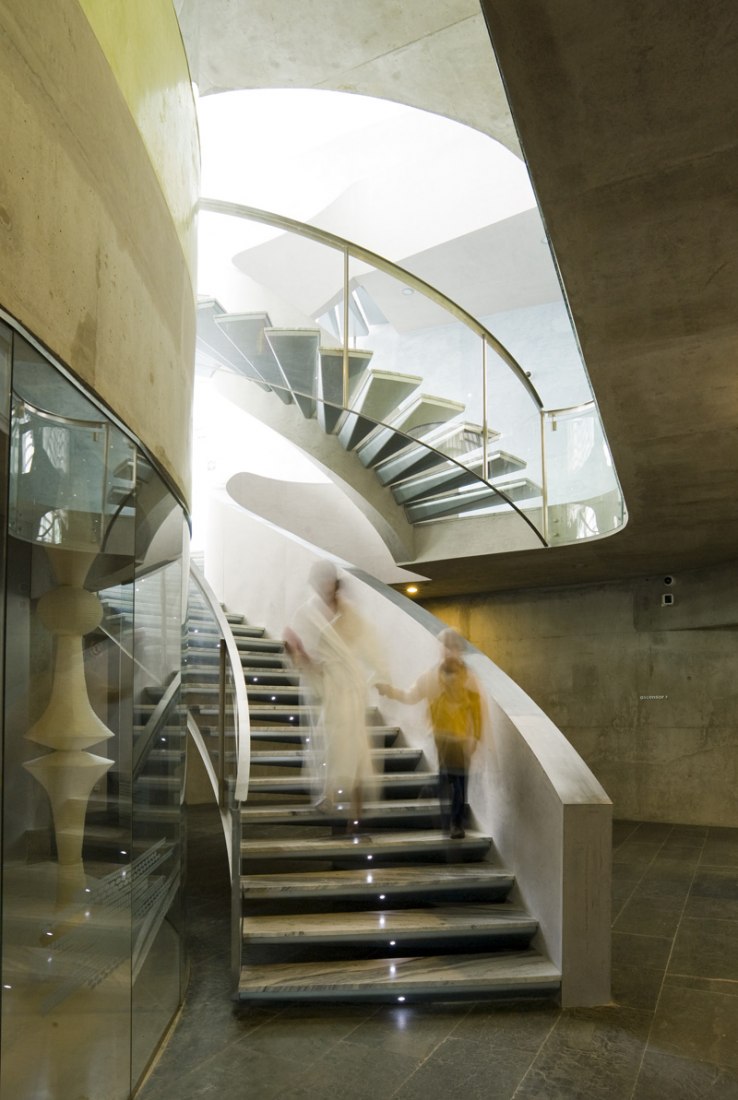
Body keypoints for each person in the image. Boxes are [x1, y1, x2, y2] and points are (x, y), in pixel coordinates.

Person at [284, 561, 387, 834]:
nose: (323, 584)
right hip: (330, 685)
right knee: (330, 742)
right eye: (319, 580)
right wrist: (298, 654)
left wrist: (380, 676)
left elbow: (367, 645)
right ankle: (329, 795)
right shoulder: (308, 612)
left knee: (356, 748)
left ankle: (355, 815)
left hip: (350, 687)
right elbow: (306, 658)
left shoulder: (349, 612)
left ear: (334, 581)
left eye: (327, 579)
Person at [378, 628, 482, 839]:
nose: (450, 652)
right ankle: (453, 819)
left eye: (454, 648)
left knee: (458, 778)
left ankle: (442, 803)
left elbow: (476, 711)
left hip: (461, 736)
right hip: (442, 735)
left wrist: (476, 737)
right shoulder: (432, 676)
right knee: (454, 776)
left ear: (460, 651)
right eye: (446, 647)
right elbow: (411, 695)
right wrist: (390, 691)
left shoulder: (468, 678)